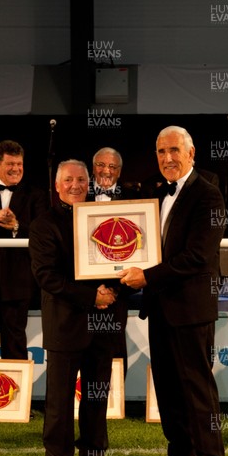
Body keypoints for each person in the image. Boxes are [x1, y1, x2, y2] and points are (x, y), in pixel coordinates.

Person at [118, 126, 226, 456]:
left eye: (174, 150)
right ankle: (181, 454)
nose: (167, 158)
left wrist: (146, 276)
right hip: (160, 307)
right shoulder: (153, 192)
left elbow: (197, 257)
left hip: (191, 309)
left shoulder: (208, 196)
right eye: (161, 151)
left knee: (198, 389)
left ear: (192, 152)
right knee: (167, 387)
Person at [29, 159, 129, 456]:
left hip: (103, 326)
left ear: (90, 183)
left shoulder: (104, 220)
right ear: (57, 186)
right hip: (65, 326)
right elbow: (46, 277)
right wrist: (92, 297)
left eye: (81, 180)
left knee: (96, 399)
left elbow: (120, 262)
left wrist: (112, 292)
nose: (75, 185)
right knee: (59, 404)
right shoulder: (44, 225)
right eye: (68, 180)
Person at [0, 140, 49, 359]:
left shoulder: (37, 194)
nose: (16, 169)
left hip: (18, 282)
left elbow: (43, 233)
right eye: (10, 164)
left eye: (19, 164)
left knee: (15, 344)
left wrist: (17, 226)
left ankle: (14, 393)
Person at [87, 146, 140, 375]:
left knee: (116, 341)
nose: (106, 170)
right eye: (101, 165)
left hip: (119, 285)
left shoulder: (134, 197)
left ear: (119, 171)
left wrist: (115, 290)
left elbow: (139, 247)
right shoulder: (78, 194)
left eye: (112, 166)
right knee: (85, 343)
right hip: (84, 286)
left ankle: (115, 402)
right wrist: (92, 290)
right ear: (92, 168)